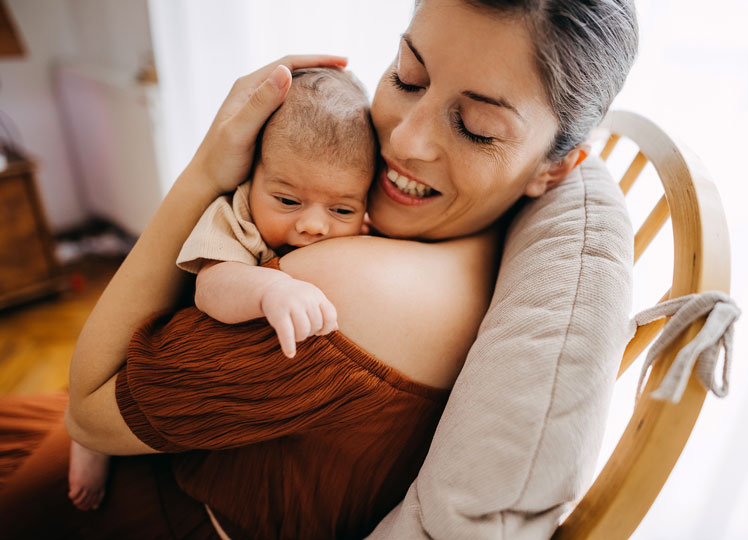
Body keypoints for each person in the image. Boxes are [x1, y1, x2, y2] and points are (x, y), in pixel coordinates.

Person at [0, 0, 638, 537]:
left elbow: (89, 412)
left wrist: (205, 170)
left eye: (474, 127)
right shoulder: (447, 239)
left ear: (554, 167)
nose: (404, 139)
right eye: (408, 77)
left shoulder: (342, 293)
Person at [65, 67, 378, 512]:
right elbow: (213, 286)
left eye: (341, 208)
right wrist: (269, 288)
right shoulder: (235, 215)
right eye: (287, 201)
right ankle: (87, 441)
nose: (312, 224)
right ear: (252, 176)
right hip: (151, 344)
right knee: (103, 397)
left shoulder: (358, 228)